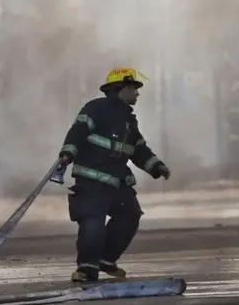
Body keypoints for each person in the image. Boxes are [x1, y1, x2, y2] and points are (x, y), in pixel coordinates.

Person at [56, 67, 171, 282]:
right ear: (122, 87)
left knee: (130, 215)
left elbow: (138, 148)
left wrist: (156, 167)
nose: (137, 93)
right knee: (93, 221)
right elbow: (78, 132)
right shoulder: (95, 109)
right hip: (91, 181)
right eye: (134, 88)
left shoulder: (128, 119)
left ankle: (105, 259)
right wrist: (67, 153)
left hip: (116, 180)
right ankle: (87, 268)